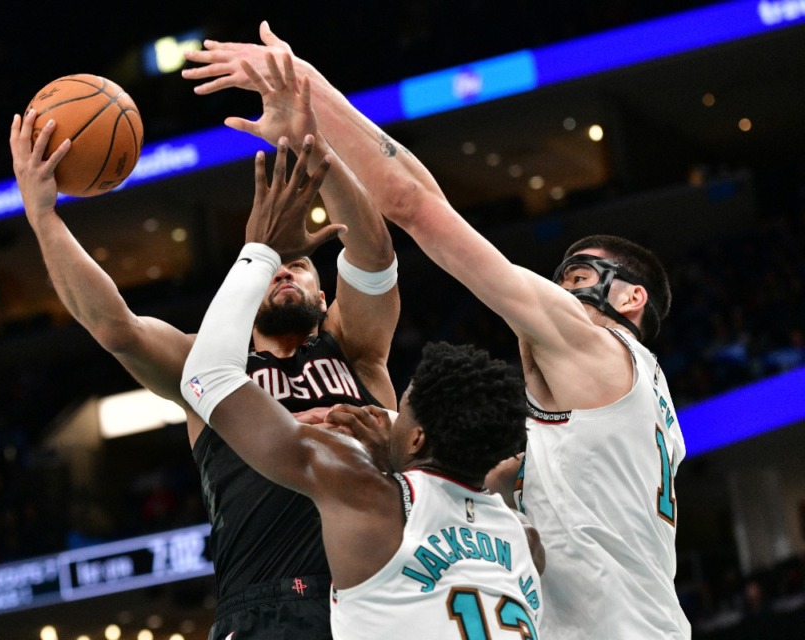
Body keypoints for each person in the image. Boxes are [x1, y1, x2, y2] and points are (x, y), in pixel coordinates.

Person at [183, 26, 689, 638]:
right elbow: (492, 482)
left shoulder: (593, 346)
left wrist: (308, 94)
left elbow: (415, 203)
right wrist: (397, 450)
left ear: (632, 299)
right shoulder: (627, 411)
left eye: (580, 275)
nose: (559, 290)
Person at [9, 104, 400, 639]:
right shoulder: (206, 366)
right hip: (266, 605)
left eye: (301, 264)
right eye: (270, 264)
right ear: (243, 286)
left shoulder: (355, 348)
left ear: (324, 293)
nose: (283, 268)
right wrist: (43, 216)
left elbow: (374, 256)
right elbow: (116, 327)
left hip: (384, 593)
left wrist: (316, 152)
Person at [180, 139, 544, 639]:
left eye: (403, 410)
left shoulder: (364, 494)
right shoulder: (523, 540)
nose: (388, 413)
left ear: (418, 439)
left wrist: (258, 250)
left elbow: (208, 378)